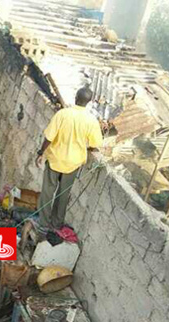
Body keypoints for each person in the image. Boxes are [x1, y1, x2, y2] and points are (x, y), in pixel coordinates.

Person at [36, 86, 103, 231]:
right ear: (89, 102)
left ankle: (43, 224)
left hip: (55, 159)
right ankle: (56, 224)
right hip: (73, 163)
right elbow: (95, 144)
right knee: (63, 195)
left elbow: (49, 137)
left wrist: (41, 152)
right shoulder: (91, 121)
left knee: (47, 192)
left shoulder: (63, 114)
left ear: (76, 98)